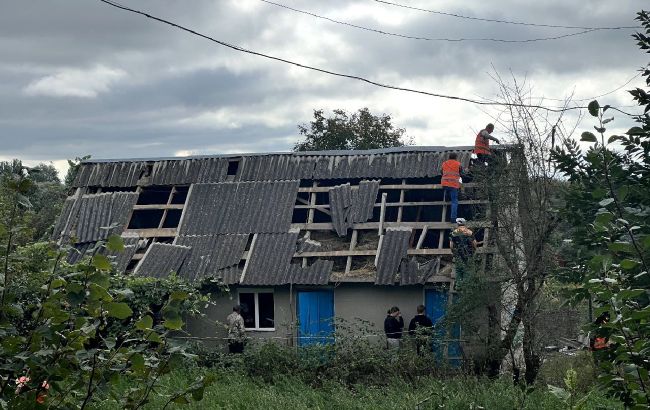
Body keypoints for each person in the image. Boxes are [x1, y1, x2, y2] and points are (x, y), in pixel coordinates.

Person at [449, 218, 478, 283]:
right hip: (469, 254)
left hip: (458, 254)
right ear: (464, 223)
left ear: (457, 224)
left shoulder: (454, 233)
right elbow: (474, 243)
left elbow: (451, 245)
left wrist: (453, 252)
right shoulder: (469, 232)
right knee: (468, 269)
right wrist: (474, 250)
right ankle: (467, 286)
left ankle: (459, 286)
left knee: (459, 270)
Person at [441, 152, 464, 222]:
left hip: (445, 183)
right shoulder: (458, 164)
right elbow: (461, 173)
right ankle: (453, 218)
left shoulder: (444, 163)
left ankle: (447, 197)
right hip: (453, 185)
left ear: (449, 157)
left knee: (448, 191)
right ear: (456, 157)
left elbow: (441, 172)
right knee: (454, 201)